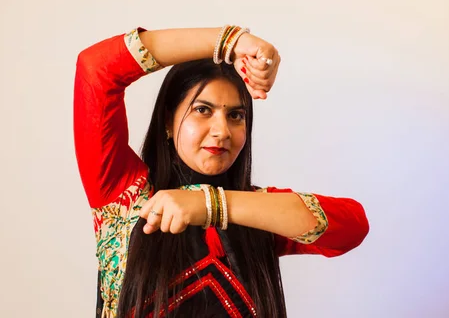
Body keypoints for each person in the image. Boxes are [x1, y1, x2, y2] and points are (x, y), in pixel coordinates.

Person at [73, 26, 370, 318]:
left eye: (235, 116)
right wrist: (231, 41)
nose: (222, 131)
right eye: (202, 110)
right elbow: (97, 69)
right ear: (168, 120)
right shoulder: (122, 193)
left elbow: (352, 225)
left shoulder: (255, 212)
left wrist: (211, 205)